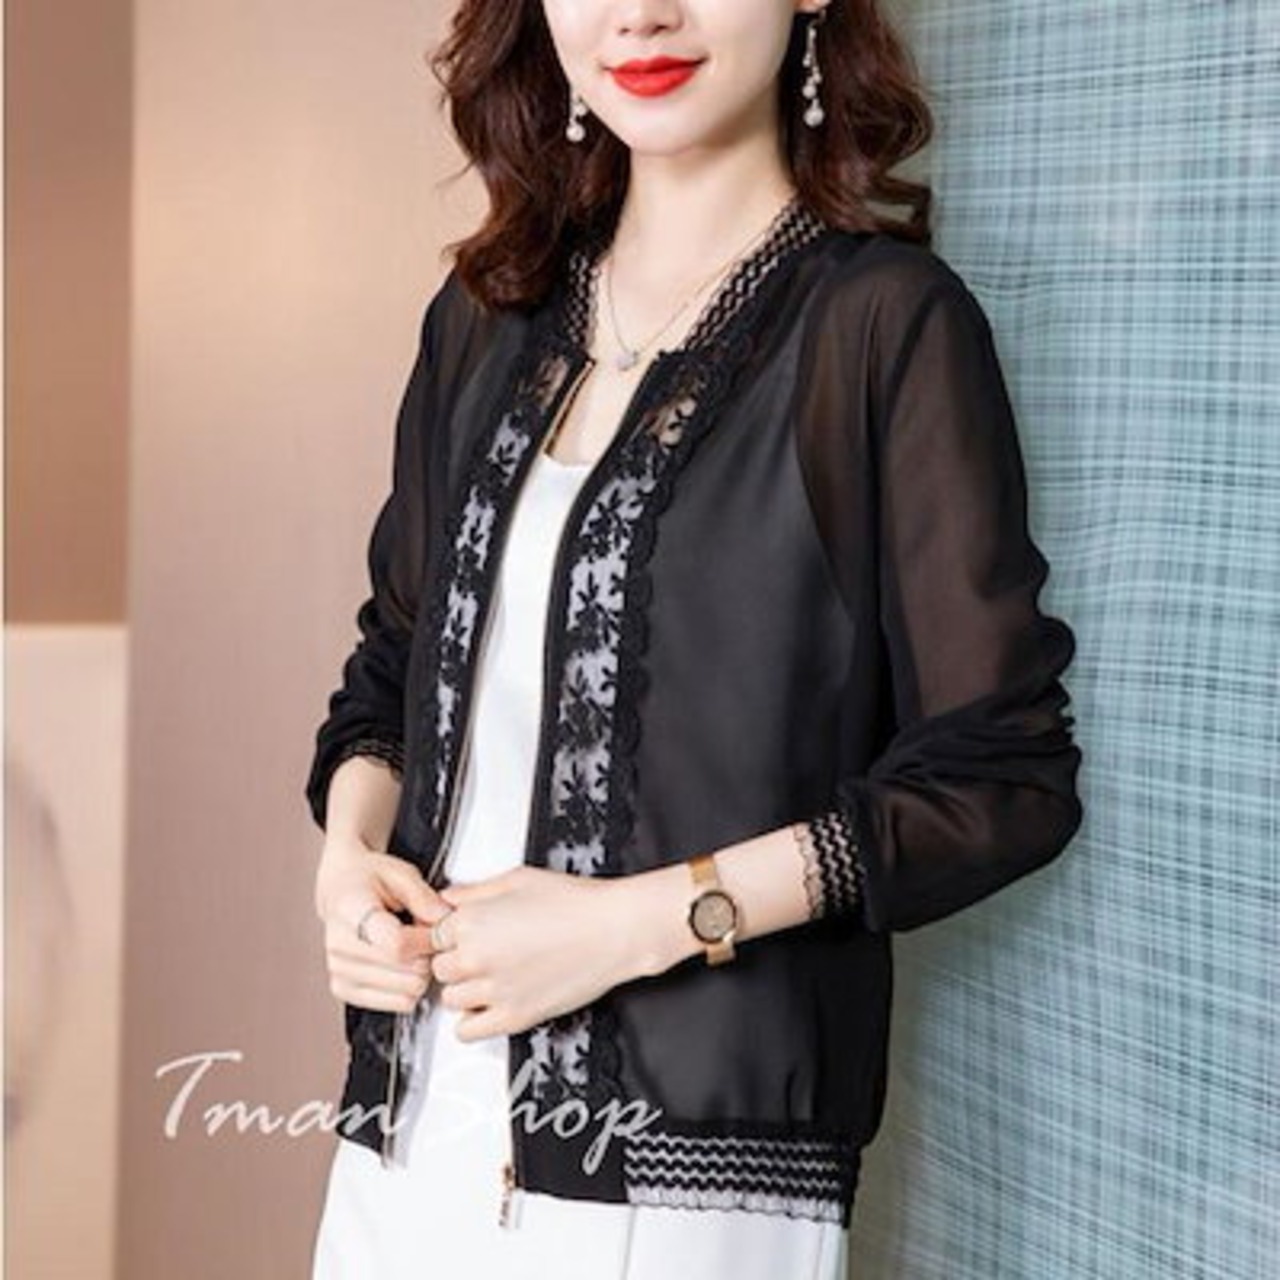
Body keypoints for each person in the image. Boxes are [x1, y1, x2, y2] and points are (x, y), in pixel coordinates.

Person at [304, 1, 1083, 1275]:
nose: (641, 15)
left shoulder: (882, 326)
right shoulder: (485, 317)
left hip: (690, 1176)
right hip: (405, 1127)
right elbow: (394, 661)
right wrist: (348, 859)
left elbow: (1000, 778)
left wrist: (642, 921)